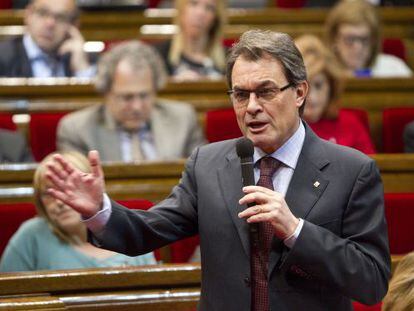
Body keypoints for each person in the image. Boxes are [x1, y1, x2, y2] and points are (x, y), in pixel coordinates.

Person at [46, 30, 390, 310]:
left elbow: (371, 282)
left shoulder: (351, 171)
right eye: (240, 94)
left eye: (266, 92)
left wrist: (296, 230)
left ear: (299, 92)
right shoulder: (207, 164)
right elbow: (148, 230)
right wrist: (100, 212)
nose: (252, 107)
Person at [0, 151, 156, 272]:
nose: (60, 202)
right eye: (49, 193)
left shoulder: (130, 228)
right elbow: (8, 297)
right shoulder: (31, 234)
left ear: (91, 187)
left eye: (68, 188)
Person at [57, 40, 205, 162]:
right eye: (127, 97)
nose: (137, 106)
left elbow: (203, 178)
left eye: (144, 96)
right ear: (106, 92)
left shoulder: (183, 119)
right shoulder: (77, 130)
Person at [295, 34, 376, 154]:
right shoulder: (281, 127)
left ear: (331, 86)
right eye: (302, 87)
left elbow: (370, 170)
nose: (312, 97)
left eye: (318, 85)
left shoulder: (350, 124)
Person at [0, 0, 95, 78]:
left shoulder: (87, 60)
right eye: (43, 13)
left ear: (74, 25)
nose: (50, 24)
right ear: (28, 15)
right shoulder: (3, 57)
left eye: (60, 17)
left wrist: (82, 70)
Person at [325, 0, 412, 78]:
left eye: (364, 39)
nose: (358, 47)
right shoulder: (323, 71)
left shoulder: (395, 69)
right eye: (350, 39)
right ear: (335, 39)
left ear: (374, 41)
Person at [154, 0, 226, 81]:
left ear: (216, 18)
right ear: (181, 9)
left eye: (209, 7)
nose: (200, 13)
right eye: (193, 3)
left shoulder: (228, 59)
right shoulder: (159, 55)